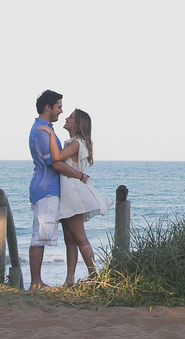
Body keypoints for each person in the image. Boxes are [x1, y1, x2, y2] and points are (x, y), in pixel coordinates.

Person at [37, 108, 111, 284]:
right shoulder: (76, 142)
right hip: (69, 194)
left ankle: (94, 276)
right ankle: (69, 280)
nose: (66, 118)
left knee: (80, 238)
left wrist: (49, 132)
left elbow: (56, 157)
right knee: (70, 239)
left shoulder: (76, 143)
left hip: (72, 195)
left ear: (77, 125)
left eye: (70, 117)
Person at [27, 89, 88, 290]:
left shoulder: (47, 130)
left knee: (61, 237)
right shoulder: (42, 131)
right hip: (46, 188)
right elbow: (56, 163)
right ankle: (36, 283)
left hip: (53, 189)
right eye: (59, 107)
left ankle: (47, 281)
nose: (61, 111)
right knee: (41, 235)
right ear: (48, 107)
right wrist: (80, 176)